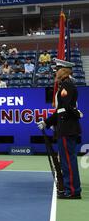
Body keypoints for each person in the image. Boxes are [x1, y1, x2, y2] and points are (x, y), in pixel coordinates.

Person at [38, 60, 82, 199]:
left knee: (68, 161)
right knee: (66, 160)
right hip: (65, 127)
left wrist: (76, 114)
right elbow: (60, 110)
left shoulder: (67, 85)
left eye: (57, 69)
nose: (55, 72)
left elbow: (67, 108)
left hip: (67, 127)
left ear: (64, 70)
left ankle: (73, 191)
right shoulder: (65, 85)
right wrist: (46, 122)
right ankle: (70, 189)